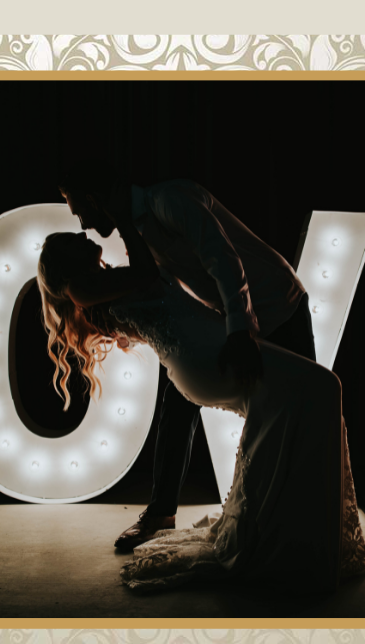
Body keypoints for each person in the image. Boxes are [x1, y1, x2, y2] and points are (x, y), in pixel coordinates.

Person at [34, 227, 365, 593]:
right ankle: (282, 536)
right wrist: (126, 223)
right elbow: (146, 273)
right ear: (64, 266)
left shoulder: (100, 282)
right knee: (320, 386)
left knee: (306, 395)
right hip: (202, 356)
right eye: (70, 240)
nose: (82, 232)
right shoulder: (79, 289)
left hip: (201, 350)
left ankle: (285, 530)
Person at [56, 161, 317, 552]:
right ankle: (161, 512)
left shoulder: (171, 200)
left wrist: (239, 331)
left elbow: (224, 260)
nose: (83, 225)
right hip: (231, 319)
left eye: (80, 210)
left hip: (278, 305)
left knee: (309, 409)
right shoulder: (139, 231)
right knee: (177, 399)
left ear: (95, 199)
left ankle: (306, 519)